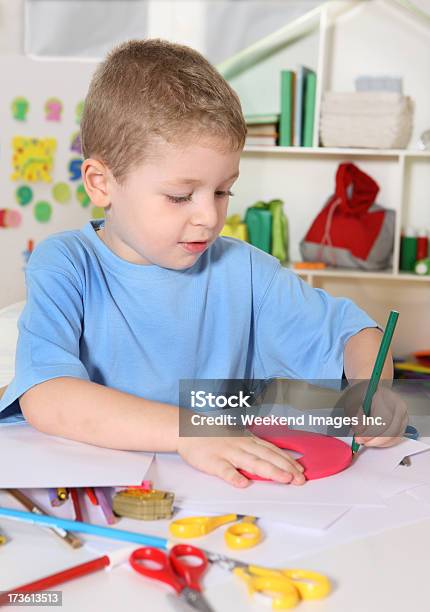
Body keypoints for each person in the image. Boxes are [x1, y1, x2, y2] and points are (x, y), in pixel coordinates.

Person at [0, 40, 405, 488]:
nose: (209, 217)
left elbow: (358, 334)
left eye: (222, 191)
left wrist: (375, 392)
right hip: (100, 489)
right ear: (101, 183)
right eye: (179, 196)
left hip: (222, 495)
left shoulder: (245, 271)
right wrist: (191, 432)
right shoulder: (66, 265)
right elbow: (47, 397)